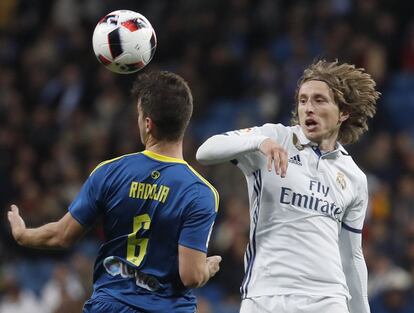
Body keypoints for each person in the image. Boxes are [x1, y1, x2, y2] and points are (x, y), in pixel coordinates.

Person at [8, 71, 222, 313]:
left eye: (140, 116)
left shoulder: (109, 172)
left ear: (148, 124)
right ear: (185, 120)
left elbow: (61, 235)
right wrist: (208, 268)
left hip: (110, 305)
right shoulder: (200, 192)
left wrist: (23, 234)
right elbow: (191, 276)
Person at [196, 60, 380, 313]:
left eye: (319, 100)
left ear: (344, 112)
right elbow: (205, 151)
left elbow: (352, 256)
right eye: (303, 100)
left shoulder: (354, 177)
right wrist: (259, 143)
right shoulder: (276, 136)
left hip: (328, 299)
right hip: (266, 294)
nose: (308, 109)